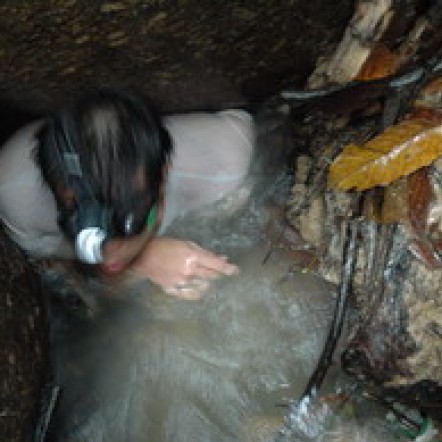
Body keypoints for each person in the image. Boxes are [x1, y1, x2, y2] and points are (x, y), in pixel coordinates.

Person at [0, 87, 256, 299]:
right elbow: (45, 263)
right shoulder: (15, 194)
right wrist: (142, 260)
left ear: (163, 175)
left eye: (126, 226)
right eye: (85, 230)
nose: (109, 255)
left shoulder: (222, 164)